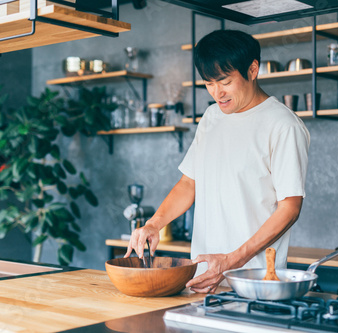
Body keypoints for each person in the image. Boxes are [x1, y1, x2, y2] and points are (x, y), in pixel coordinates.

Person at [125, 29, 310, 294]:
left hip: (253, 281)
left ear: (253, 69)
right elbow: (189, 183)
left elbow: (290, 208)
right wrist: (153, 224)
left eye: (224, 81)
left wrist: (231, 261)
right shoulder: (212, 117)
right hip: (203, 278)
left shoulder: (283, 126)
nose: (217, 92)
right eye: (209, 83)